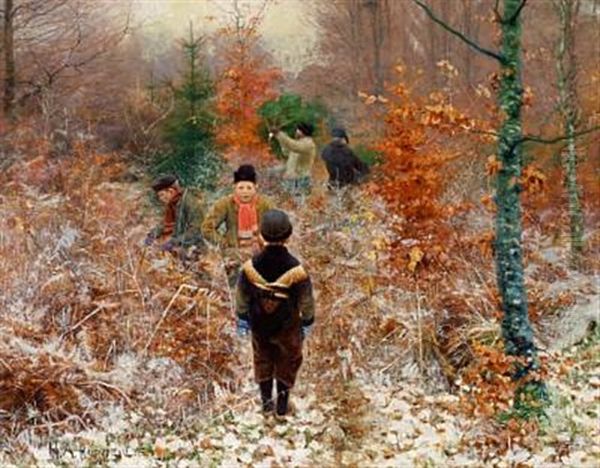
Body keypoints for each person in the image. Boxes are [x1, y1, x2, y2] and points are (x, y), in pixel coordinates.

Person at [236, 209, 315, 417]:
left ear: (261, 235)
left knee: (262, 359)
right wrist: (307, 321)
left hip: (259, 324)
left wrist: (243, 319)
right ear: (289, 235)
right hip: (288, 326)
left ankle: (266, 405)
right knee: (287, 361)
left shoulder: (249, 267)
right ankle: (281, 407)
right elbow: (306, 300)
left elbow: (242, 296)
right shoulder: (297, 270)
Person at [202, 165, 273, 284]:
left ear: (256, 187)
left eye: (249, 188)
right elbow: (207, 228)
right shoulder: (225, 204)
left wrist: (268, 243)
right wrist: (224, 244)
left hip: (260, 251)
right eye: (241, 188)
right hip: (235, 252)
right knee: (235, 283)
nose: (245, 192)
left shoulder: (265, 204)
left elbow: (277, 227)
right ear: (234, 187)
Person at [145, 175, 205, 254]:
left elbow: (197, 231)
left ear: (171, 191)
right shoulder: (173, 204)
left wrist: (174, 242)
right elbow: (166, 224)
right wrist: (153, 234)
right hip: (180, 246)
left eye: (162, 195)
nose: (160, 199)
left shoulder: (190, 203)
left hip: (196, 249)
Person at [271, 123, 317, 195]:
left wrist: (280, 134)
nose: (296, 131)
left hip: (301, 179)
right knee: (287, 202)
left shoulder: (309, 144)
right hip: (291, 179)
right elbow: (286, 152)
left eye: (298, 130)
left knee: (299, 203)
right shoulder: (299, 143)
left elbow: (293, 146)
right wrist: (280, 138)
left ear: (303, 132)